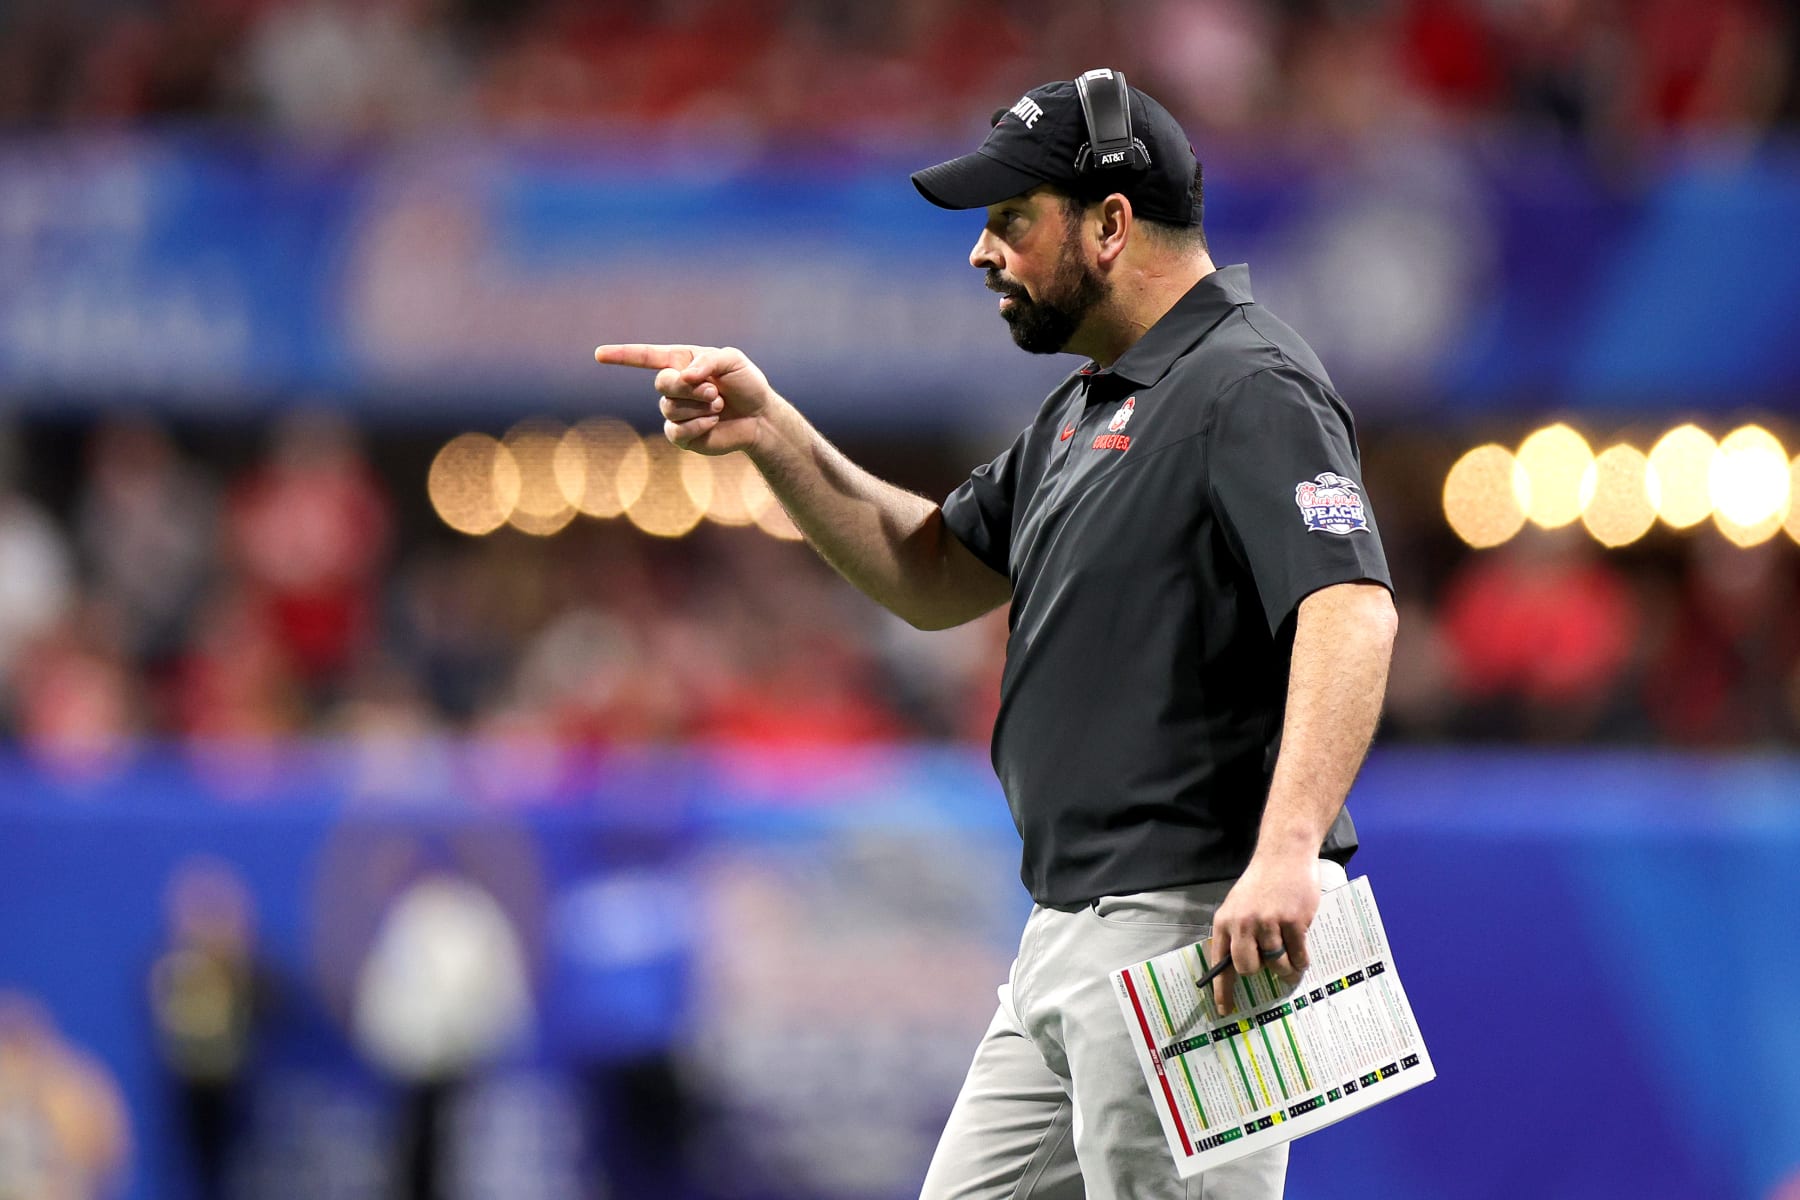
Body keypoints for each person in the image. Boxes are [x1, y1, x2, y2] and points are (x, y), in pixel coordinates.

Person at [595, 68, 1397, 1200]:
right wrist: (771, 431)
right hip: (1066, 930)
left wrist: (1285, 853)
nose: (983, 253)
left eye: (1012, 221)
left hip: (1190, 926)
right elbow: (931, 575)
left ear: (1111, 223)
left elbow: (1351, 606)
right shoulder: (1088, 407)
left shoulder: (1248, 381)